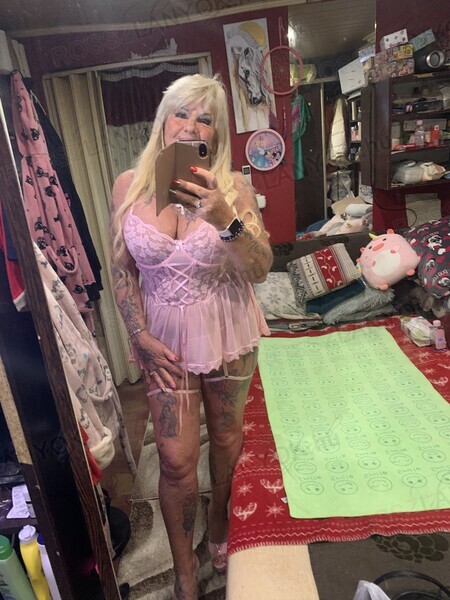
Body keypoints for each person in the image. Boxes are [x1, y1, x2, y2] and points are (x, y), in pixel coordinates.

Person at [110, 73, 272, 599]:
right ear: (163, 121)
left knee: (225, 440)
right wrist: (137, 334)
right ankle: (185, 571)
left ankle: (220, 519)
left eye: (205, 119)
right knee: (176, 460)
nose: (190, 126)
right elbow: (121, 270)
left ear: (216, 133)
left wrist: (223, 217)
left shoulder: (234, 189)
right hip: (164, 339)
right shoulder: (128, 186)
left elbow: (261, 268)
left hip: (227, 329)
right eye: (181, 113)